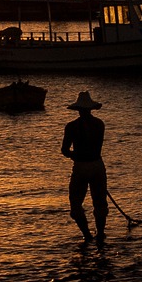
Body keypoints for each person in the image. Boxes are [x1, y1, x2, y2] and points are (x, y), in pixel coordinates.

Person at [61, 90, 108, 242]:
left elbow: (64, 150)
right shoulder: (99, 124)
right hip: (97, 165)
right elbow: (95, 146)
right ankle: (100, 234)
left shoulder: (71, 127)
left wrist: (74, 155)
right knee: (100, 203)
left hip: (81, 166)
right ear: (90, 109)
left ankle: (87, 236)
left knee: (75, 204)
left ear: (79, 110)